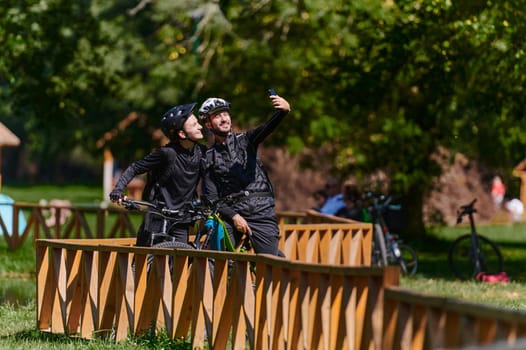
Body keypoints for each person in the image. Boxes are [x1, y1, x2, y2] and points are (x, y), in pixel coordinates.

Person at [199, 93, 291, 256]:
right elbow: (212, 198)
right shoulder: (208, 157)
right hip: (233, 213)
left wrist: (282, 112)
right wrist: (234, 216)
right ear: (208, 124)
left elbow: (266, 128)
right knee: (218, 251)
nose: (224, 118)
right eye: (217, 116)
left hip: (261, 210)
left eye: (226, 114)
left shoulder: (246, 140)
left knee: (269, 263)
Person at [109, 103, 205, 246]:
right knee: (149, 261)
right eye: (194, 124)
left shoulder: (201, 153)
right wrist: (118, 189)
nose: (200, 127)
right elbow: (135, 168)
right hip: (159, 217)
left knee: (180, 262)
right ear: (182, 134)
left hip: (182, 219)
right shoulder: (167, 153)